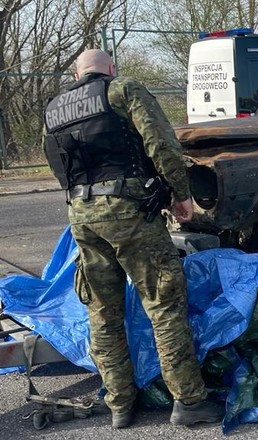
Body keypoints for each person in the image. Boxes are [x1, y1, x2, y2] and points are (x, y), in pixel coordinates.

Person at [42, 49, 224, 428]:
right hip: (129, 210)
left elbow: (58, 164)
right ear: (109, 69)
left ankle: (120, 405)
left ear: (78, 74)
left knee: (102, 312)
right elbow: (161, 144)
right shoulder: (123, 90)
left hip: (81, 214)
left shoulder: (54, 108)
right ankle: (189, 401)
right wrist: (180, 194)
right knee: (164, 303)